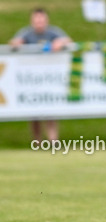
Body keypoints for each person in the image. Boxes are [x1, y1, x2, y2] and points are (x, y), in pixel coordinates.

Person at [9, 8, 72, 143]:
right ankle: (37, 142)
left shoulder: (53, 32)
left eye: (41, 19)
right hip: (31, 80)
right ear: (32, 21)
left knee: (51, 110)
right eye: (36, 19)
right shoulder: (26, 33)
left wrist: (60, 42)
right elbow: (13, 43)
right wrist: (17, 44)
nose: (39, 22)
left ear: (46, 20)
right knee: (34, 113)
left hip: (49, 79)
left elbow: (68, 40)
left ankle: (53, 140)